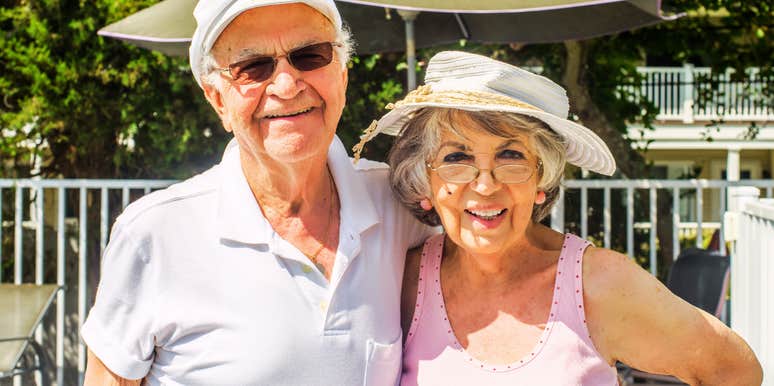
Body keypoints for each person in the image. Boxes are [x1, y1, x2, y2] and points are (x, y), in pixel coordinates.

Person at [81, 1, 432, 385]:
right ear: (218, 101)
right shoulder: (156, 232)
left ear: (343, 77)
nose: (286, 84)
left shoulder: (402, 205)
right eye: (252, 67)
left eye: (310, 56)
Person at [374, 51, 762, 385]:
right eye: (457, 158)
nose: (486, 185)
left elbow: (734, 371)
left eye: (511, 157)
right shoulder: (404, 281)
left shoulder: (597, 283)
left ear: (542, 179)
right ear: (425, 181)